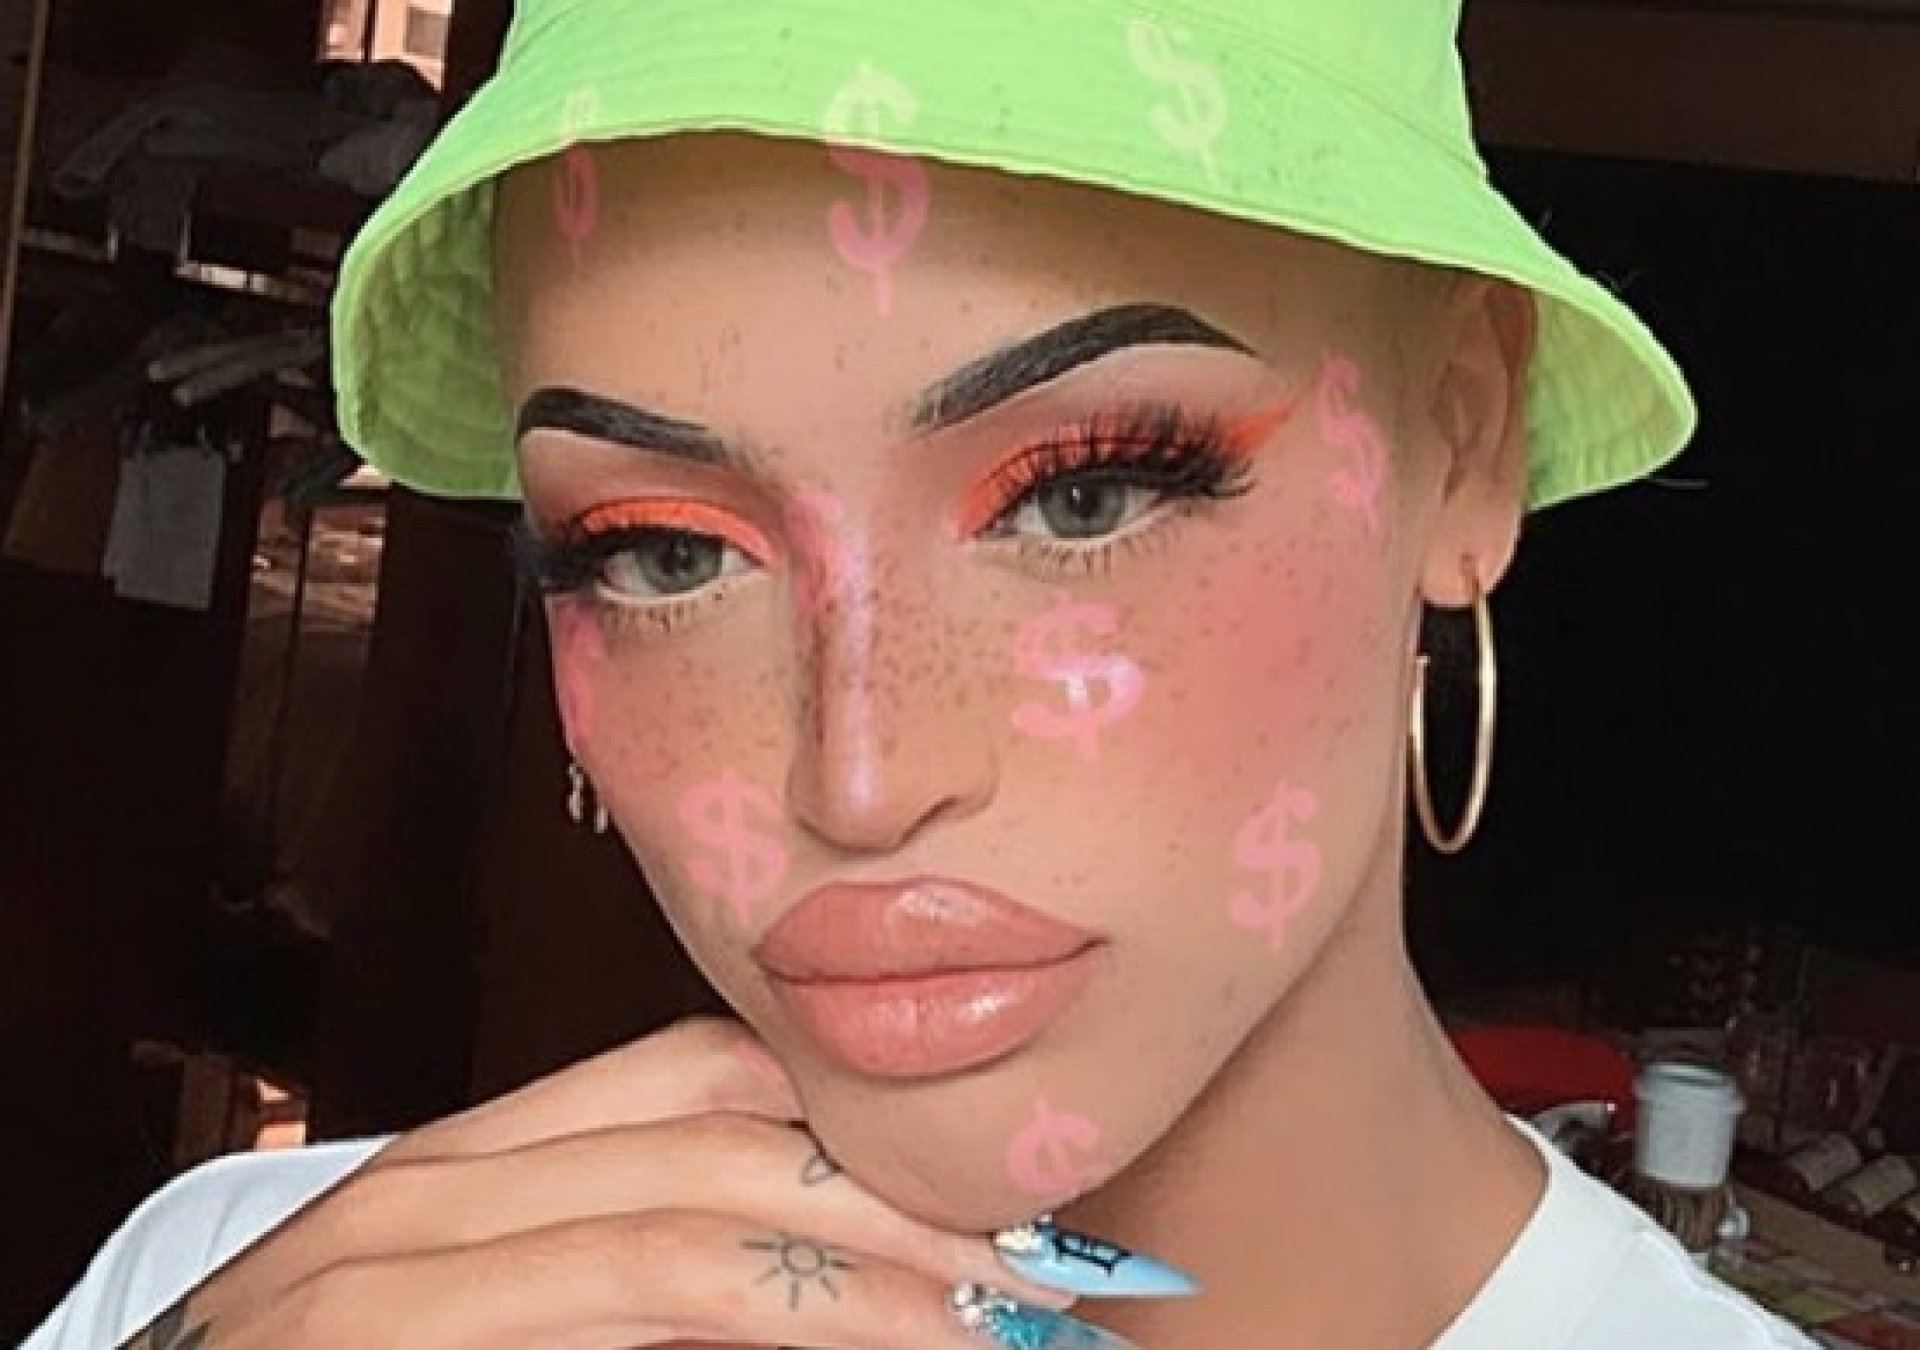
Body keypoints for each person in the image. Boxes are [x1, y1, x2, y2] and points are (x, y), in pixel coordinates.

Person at [26, 0, 1821, 1346]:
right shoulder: (237, 1287)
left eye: (1086, 493)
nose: (860, 778)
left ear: (1464, 437)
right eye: (658, 551)